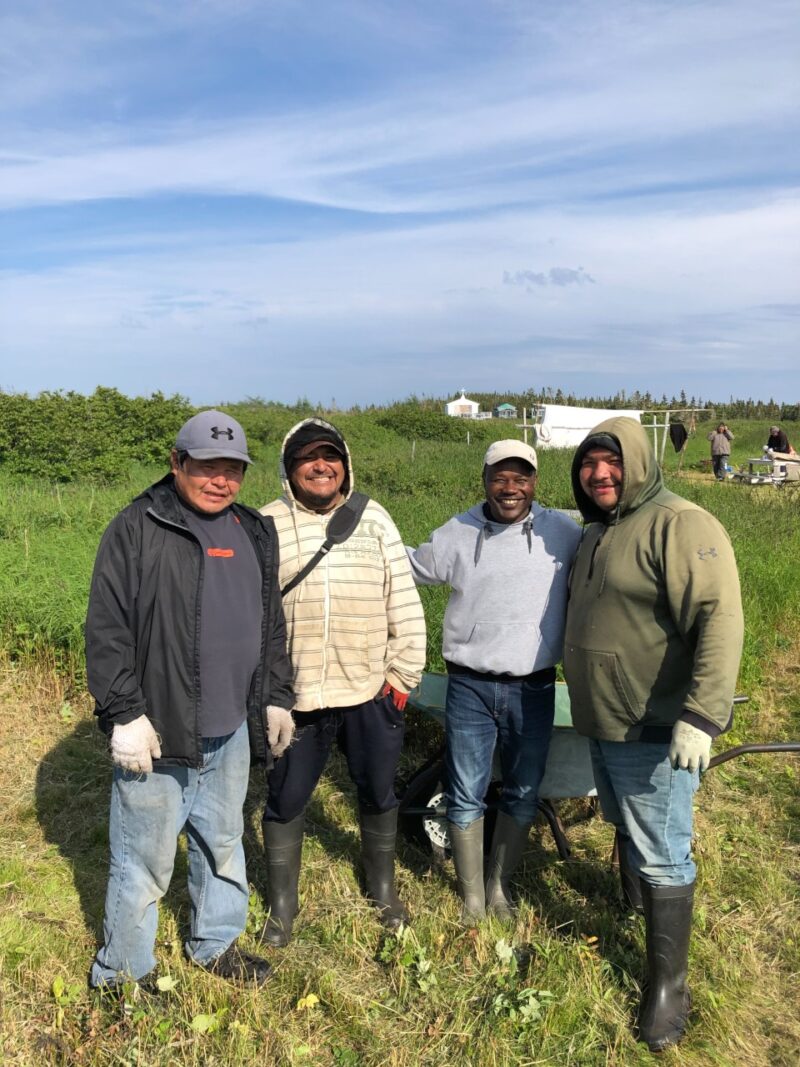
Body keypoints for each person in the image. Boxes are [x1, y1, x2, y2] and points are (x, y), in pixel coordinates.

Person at [86, 410, 294, 993]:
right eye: (207, 467)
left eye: (232, 469)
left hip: (230, 727)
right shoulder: (138, 526)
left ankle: (216, 943)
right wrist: (124, 713)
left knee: (224, 843)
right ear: (177, 463)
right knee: (144, 859)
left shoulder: (253, 529)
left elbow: (270, 623)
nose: (220, 480)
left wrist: (276, 697)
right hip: (160, 728)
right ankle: (123, 974)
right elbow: (106, 630)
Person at [563, 417, 744, 1053]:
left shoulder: (680, 523)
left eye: (612, 462)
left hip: (654, 724)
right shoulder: (597, 532)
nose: (600, 474)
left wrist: (701, 715)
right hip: (605, 719)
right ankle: (634, 912)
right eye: (589, 463)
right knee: (628, 826)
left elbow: (720, 618)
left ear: (638, 462)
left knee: (664, 849)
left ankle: (669, 985)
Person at [259, 418, 426, 945]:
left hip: (368, 689)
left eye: (329, 455)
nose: (320, 465)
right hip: (296, 696)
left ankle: (382, 887)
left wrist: (401, 677)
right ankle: (283, 904)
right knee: (286, 798)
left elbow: (404, 599)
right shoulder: (266, 525)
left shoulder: (374, 520)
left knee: (376, 790)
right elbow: (249, 614)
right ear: (289, 469)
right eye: (307, 457)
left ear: (344, 464)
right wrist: (266, 691)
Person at [406, 441, 581, 922]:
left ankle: (499, 887)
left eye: (521, 478)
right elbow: (410, 566)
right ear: (484, 480)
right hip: (469, 688)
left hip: (535, 687)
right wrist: (362, 538)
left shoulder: (564, 534)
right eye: (500, 477)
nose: (510, 488)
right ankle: (472, 899)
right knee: (466, 792)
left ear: (534, 483)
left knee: (524, 791)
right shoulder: (457, 532)